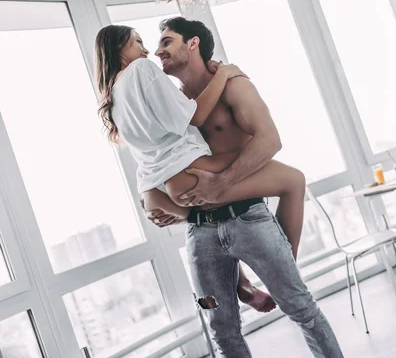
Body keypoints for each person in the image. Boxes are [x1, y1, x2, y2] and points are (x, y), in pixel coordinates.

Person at [94, 21, 344, 358]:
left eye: (165, 41)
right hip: (201, 224)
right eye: (140, 42)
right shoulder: (167, 91)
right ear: (120, 50)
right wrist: (224, 73)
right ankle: (268, 274)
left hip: (231, 211)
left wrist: (159, 199)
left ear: (193, 44)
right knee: (224, 333)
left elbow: (270, 141)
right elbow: (186, 129)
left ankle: (262, 276)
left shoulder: (228, 86)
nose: (152, 50)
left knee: (291, 309)